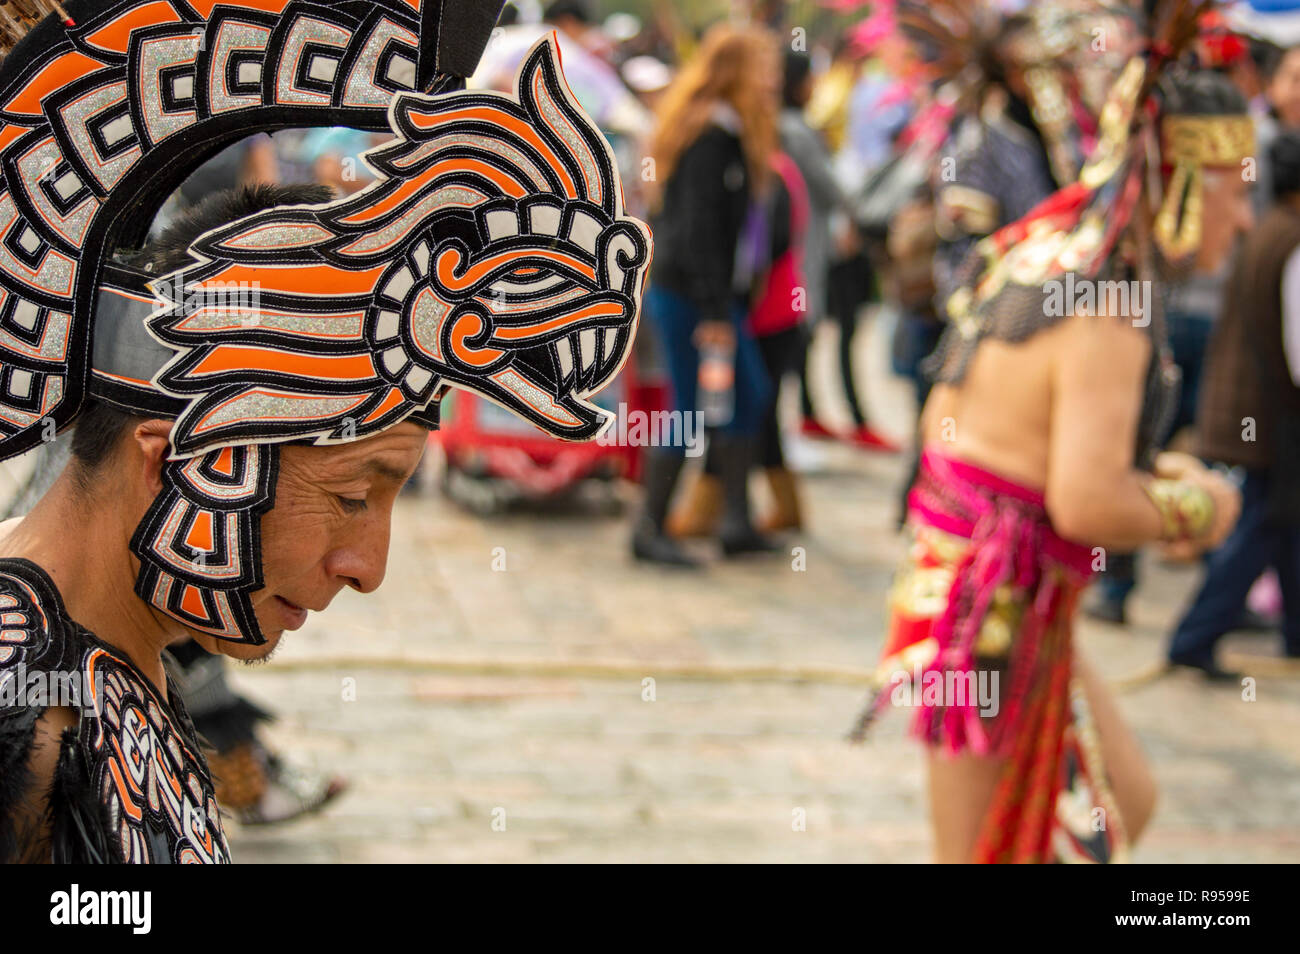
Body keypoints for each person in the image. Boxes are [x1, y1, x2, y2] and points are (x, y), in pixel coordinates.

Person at [0, 2, 648, 863]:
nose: (367, 568)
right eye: (349, 494)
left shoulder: (121, 659)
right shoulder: (27, 720)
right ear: (174, 461)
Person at [852, 10, 1251, 863]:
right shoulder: (1109, 304)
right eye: (1235, 187)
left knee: (1119, 806)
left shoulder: (1045, 251)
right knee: (992, 853)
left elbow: (953, 418)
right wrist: (1199, 509)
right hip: (991, 600)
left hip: (992, 578)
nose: (1245, 217)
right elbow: (1086, 499)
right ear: (1183, 179)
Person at [631, 23, 779, 566]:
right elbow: (698, 231)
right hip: (691, 298)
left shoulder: (724, 130)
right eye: (763, 70)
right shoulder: (712, 136)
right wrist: (716, 310)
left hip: (706, 298)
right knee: (688, 408)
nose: (771, 81)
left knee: (747, 393)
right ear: (738, 72)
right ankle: (649, 529)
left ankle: (733, 521)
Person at [1165, 129, 1300, 678]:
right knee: (1263, 521)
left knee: (1283, 522)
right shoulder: (1288, 238)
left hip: (1253, 407)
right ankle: (1194, 637)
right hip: (1269, 416)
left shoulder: (1269, 229)